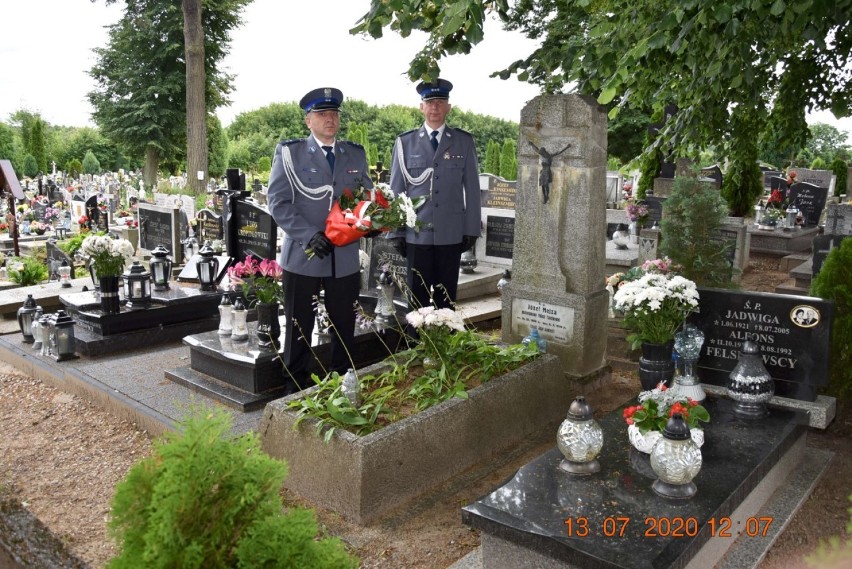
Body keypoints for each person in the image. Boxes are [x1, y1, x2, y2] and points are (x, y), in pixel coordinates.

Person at [267, 87, 373, 388]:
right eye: (322, 114)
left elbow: (367, 197)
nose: (330, 119)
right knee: (300, 325)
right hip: (304, 255)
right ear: (308, 121)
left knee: (344, 324)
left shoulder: (354, 153)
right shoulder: (290, 153)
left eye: (334, 114)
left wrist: (375, 218)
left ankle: (343, 383)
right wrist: (308, 235)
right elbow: (278, 202)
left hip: (344, 257)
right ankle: (295, 386)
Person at [387, 78, 481, 311]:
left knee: (446, 303)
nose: (435, 107)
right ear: (421, 107)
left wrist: (471, 230)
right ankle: (416, 347)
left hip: (450, 236)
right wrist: (396, 231)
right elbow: (397, 190)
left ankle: (444, 347)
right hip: (416, 236)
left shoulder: (463, 142)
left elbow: (471, 188)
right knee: (415, 304)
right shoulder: (404, 143)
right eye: (429, 102)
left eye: (440, 101)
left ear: (449, 107)